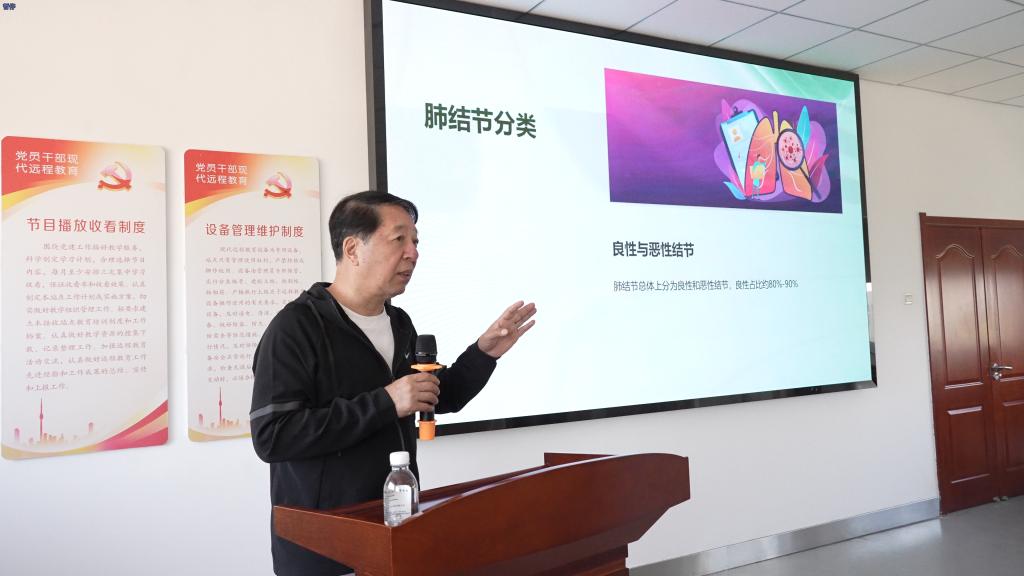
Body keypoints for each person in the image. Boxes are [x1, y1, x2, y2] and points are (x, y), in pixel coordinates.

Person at [250, 190, 536, 576]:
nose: (413, 253)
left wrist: (484, 354)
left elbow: (433, 395)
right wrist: (386, 401)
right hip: (325, 546)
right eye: (399, 239)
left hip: (396, 529)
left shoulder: (399, 323)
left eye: (416, 241)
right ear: (353, 249)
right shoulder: (296, 328)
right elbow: (274, 436)